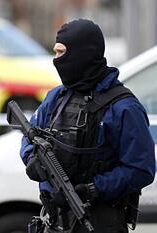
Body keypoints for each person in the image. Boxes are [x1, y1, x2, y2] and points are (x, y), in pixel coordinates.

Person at [20, 19, 155, 233]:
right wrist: (33, 160)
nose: (56, 60)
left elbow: (141, 169)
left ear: (82, 53)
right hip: (55, 219)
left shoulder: (123, 107)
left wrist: (92, 189)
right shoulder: (57, 97)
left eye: (61, 52)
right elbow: (30, 136)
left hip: (99, 221)